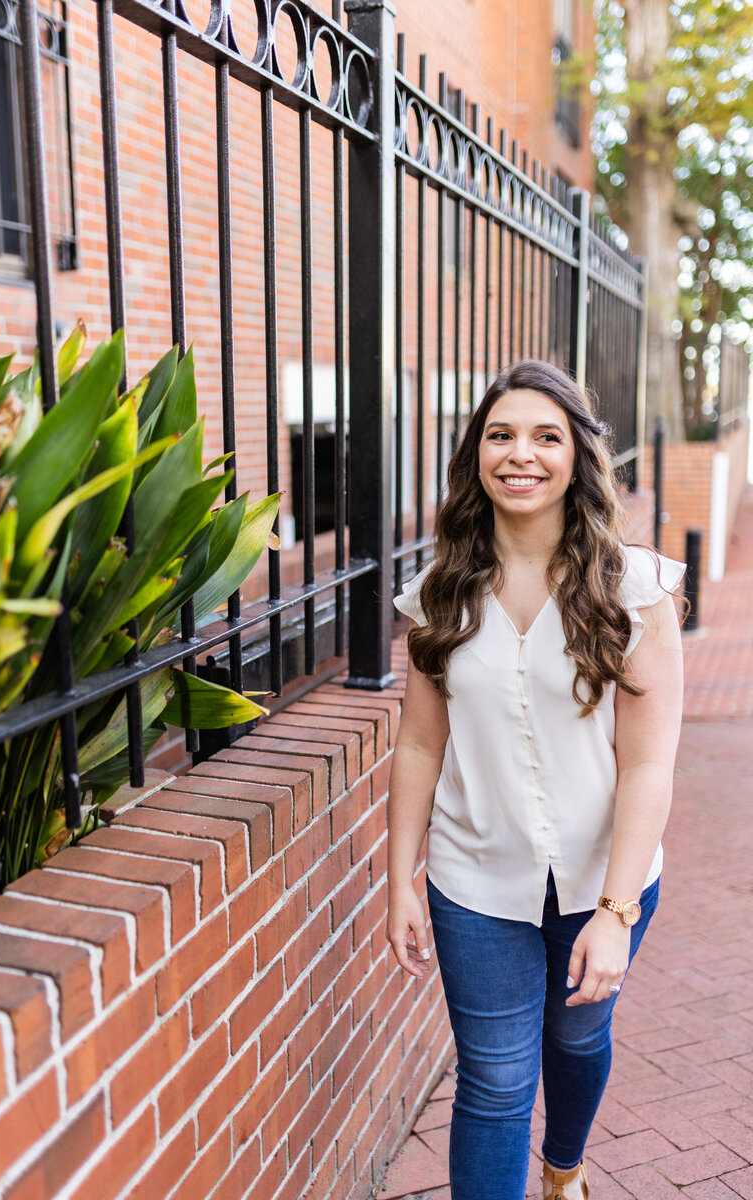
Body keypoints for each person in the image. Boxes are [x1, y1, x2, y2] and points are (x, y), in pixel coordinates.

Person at [387, 360, 685, 1200]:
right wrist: (398, 880)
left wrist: (617, 911)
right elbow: (417, 745)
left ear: (576, 458)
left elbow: (649, 765)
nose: (520, 455)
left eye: (545, 436)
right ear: (476, 456)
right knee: (493, 1082)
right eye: (500, 435)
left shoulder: (636, 591)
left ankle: (563, 1169)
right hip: (475, 882)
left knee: (579, 1043)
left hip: (606, 876)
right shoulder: (437, 596)